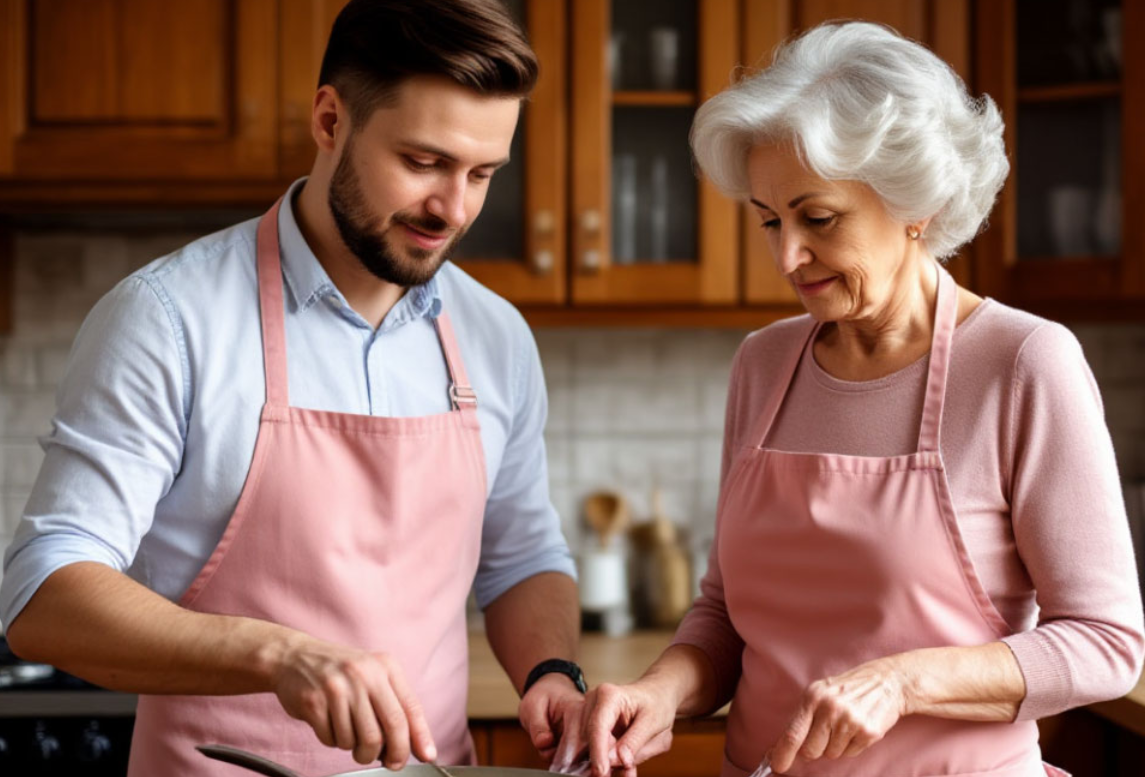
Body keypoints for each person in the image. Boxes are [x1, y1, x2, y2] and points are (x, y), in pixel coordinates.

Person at [1, 1, 588, 774]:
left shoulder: (495, 335)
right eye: (422, 163)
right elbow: (43, 593)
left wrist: (551, 670)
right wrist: (277, 653)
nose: (453, 208)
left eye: (481, 174)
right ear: (328, 119)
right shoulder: (169, 319)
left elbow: (522, 556)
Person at [579, 21, 1144, 777]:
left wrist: (901, 681)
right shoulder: (764, 362)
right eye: (769, 221)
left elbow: (1104, 642)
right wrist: (659, 690)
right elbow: (723, 615)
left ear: (915, 202)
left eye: (818, 218)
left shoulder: (1021, 361)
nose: (786, 256)